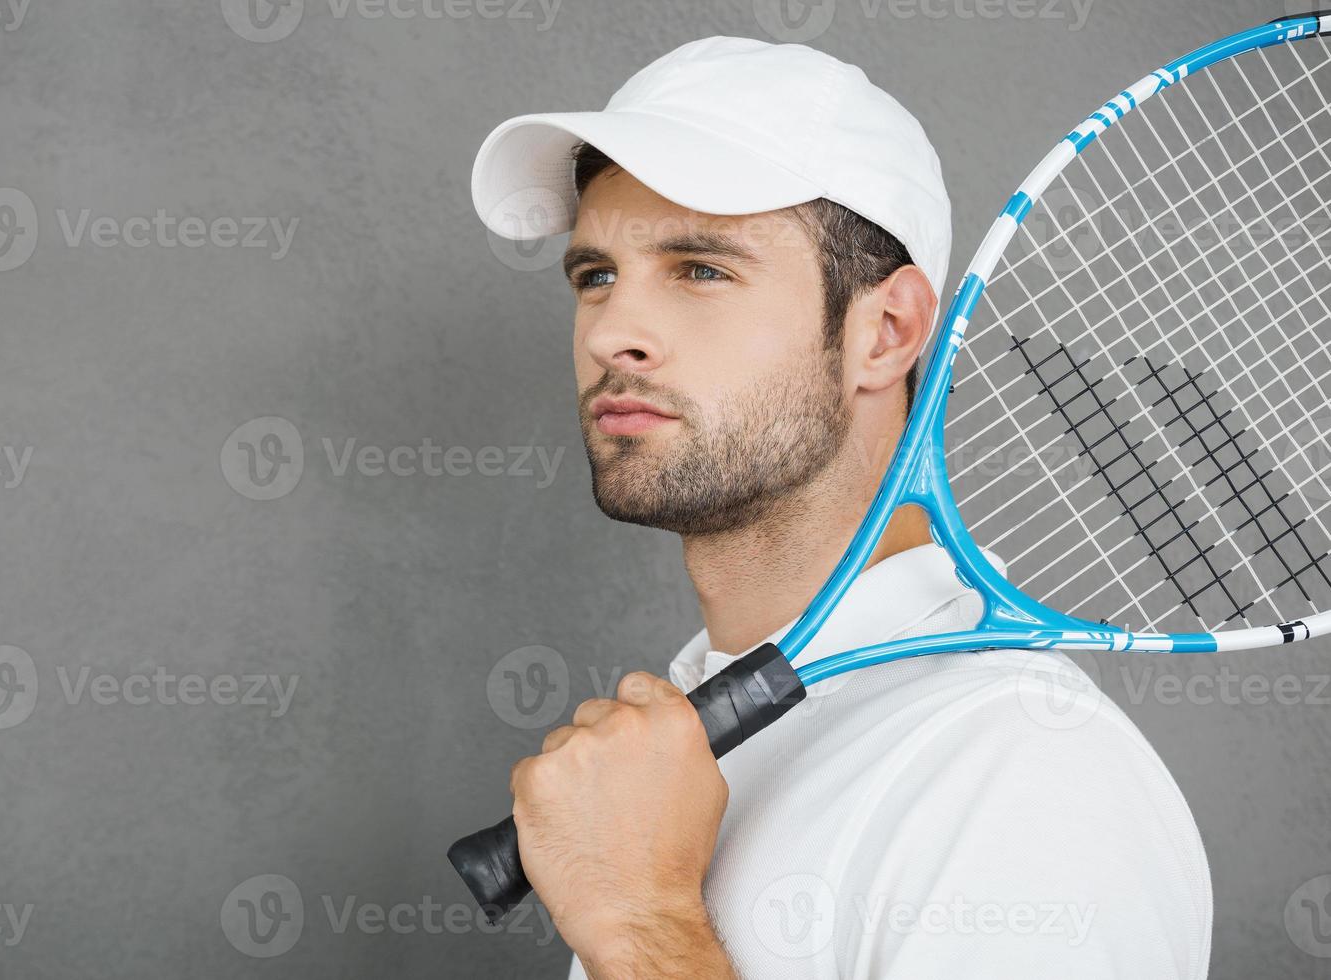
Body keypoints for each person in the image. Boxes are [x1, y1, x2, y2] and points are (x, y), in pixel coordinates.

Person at [470, 35, 1212, 979]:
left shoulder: (1025, 774)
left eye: (701, 270)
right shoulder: (678, 745)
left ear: (886, 333)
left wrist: (642, 928)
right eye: (595, 276)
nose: (613, 331)